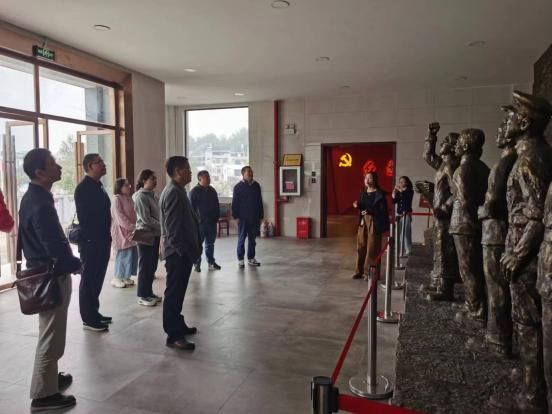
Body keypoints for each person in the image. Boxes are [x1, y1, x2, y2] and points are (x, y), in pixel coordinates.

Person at [20, 149, 81, 411]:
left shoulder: (34, 197)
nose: (60, 168)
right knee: (51, 336)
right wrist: (75, 264)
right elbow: (53, 245)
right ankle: (43, 396)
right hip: (50, 276)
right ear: (39, 172)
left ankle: (49, 379)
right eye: (53, 164)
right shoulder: (40, 204)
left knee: (51, 331)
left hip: (43, 273)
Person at [159, 156, 201, 350]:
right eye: (187, 169)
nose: (191, 172)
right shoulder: (173, 193)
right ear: (177, 171)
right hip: (177, 254)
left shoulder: (179, 190)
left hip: (181, 252)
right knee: (174, 294)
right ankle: (173, 335)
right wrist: (184, 252)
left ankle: (178, 323)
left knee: (179, 292)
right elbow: (173, 229)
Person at [74, 153, 112, 332]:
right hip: (91, 242)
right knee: (89, 280)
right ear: (90, 166)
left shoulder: (98, 185)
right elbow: (87, 219)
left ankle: (94, 312)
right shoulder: (83, 188)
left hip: (102, 240)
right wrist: (94, 240)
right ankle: (88, 319)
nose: (104, 164)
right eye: (99, 162)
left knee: (97, 279)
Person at [352, 172, 390, 280]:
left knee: (372, 248)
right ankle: (358, 271)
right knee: (360, 246)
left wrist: (369, 211)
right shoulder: (363, 192)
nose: (367, 180)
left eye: (369, 178)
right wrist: (357, 205)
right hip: (363, 221)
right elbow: (363, 206)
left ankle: (368, 273)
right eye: (365, 178)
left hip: (374, 221)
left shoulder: (379, 194)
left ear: (375, 180)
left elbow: (382, 211)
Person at [133, 169, 162, 307]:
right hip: (144, 234)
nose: (155, 181)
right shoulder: (140, 196)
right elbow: (146, 219)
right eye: (152, 179)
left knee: (152, 265)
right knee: (145, 266)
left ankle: (149, 292)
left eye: (155, 178)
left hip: (155, 233)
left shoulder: (153, 195)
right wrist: (163, 226)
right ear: (144, 180)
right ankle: (142, 295)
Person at [232, 166, 264, 268]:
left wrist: (261, 216)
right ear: (243, 174)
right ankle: (240, 259)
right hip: (242, 218)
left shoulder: (256, 186)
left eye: (251, 172)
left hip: (254, 218)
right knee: (241, 239)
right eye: (248, 172)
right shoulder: (238, 187)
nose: (251, 173)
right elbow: (234, 203)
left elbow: (259, 201)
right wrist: (236, 216)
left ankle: (251, 258)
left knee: (252, 240)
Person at [189, 170, 221, 272]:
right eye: (206, 177)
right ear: (200, 179)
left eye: (209, 177)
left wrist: (216, 217)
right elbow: (191, 209)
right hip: (200, 224)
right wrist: (195, 222)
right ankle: (196, 263)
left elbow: (217, 205)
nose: (209, 179)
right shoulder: (194, 192)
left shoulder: (212, 190)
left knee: (210, 244)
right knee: (198, 245)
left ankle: (211, 262)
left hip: (211, 222)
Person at [110, 178, 138, 289]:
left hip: (131, 229)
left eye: (129, 185)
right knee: (123, 254)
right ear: (120, 187)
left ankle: (126, 276)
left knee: (130, 253)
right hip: (121, 230)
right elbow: (120, 216)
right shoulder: (116, 199)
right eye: (126, 185)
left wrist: (135, 226)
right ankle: (117, 277)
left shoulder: (129, 198)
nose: (129, 187)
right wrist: (131, 226)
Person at [392, 176, 414, 256]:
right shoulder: (399, 191)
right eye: (400, 181)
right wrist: (394, 193)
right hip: (399, 214)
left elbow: (407, 200)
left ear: (407, 183)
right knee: (397, 232)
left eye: (403, 181)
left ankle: (408, 249)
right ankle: (396, 248)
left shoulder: (410, 191)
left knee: (406, 233)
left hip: (407, 214)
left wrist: (400, 191)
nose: (401, 183)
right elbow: (394, 202)